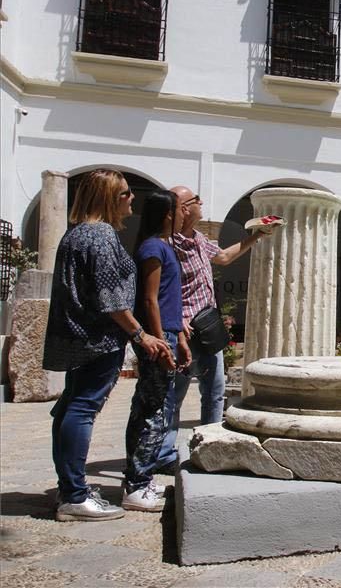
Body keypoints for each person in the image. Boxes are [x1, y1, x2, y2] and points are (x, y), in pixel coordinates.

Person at [45, 170, 171, 522]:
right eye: (126, 193)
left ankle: (69, 487)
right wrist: (140, 335)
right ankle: (73, 495)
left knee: (71, 406)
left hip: (78, 334)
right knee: (81, 408)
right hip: (97, 339)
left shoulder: (77, 234)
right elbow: (111, 298)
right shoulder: (100, 236)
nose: (133, 198)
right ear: (110, 197)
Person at [154, 186, 267, 472]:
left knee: (215, 391)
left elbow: (224, 258)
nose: (201, 203)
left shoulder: (198, 239)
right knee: (175, 394)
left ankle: (209, 446)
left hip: (208, 326)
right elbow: (158, 287)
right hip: (185, 329)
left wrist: (256, 237)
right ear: (182, 208)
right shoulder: (169, 244)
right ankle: (164, 453)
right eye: (195, 200)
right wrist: (175, 320)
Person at [123, 190, 191, 511]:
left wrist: (179, 338)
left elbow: (166, 299)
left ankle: (142, 478)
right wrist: (161, 340)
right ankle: (137, 483)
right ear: (167, 214)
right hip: (158, 339)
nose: (184, 215)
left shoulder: (164, 247)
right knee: (152, 411)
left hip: (170, 336)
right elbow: (150, 300)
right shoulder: (153, 247)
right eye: (180, 210)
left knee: (157, 408)